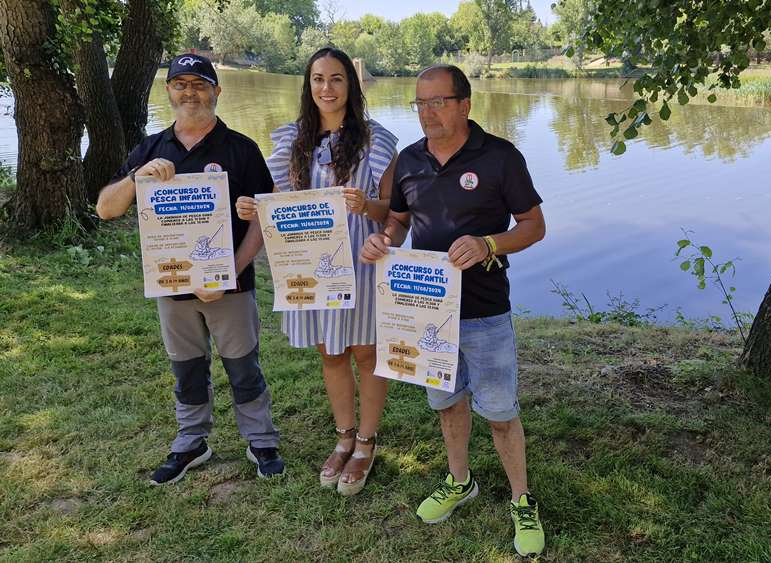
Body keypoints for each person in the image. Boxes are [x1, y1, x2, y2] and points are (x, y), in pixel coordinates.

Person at [360, 65, 547, 556]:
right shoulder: (408, 160)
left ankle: (521, 499)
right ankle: (460, 481)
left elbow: (533, 225)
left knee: (501, 412)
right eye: (419, 104)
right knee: (447, 404)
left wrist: (489, 243)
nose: (427, 113)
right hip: (426, 311)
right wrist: (384, 240)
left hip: (484, 309)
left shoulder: (501, 157)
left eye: (437, 102)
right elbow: (398, 221)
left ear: (465, 104)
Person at [96, 53, 283, 485]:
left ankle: (261, 440)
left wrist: (231, 273)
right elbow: (107, 208)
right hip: (173, 286)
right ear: (169, 92)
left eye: (200, 84)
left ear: (217, 91)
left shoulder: (242, 148)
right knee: (187, 369)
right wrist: (138, 177)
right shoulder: (152, 148)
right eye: (180, 84)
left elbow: (263, 218)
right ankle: (192, 440)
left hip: (229, 287)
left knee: (243, 367)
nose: (190, 92)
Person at [236, 47, 398, 496]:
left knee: (366, 353)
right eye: (318, 79)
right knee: (330, 352)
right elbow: (277, 203)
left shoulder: (376, 139)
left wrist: (367, 205)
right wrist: (254, 207)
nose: (327, 88)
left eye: (337, 79)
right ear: (308, 86)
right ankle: (344, 435)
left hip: (362, 262)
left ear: (351, 84)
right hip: (312, 265)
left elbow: (393, 211)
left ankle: (366, 441)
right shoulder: (291, 139)